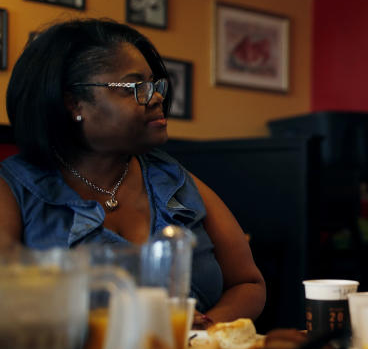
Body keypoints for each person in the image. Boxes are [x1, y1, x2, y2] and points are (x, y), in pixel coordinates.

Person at [0, 19, 265, 326]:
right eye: (135, 87)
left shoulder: (172, 179)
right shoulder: (13, 190)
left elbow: (248, 283)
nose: (156, 98)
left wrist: (200, 328)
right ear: (74, 103)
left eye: (155, 85)